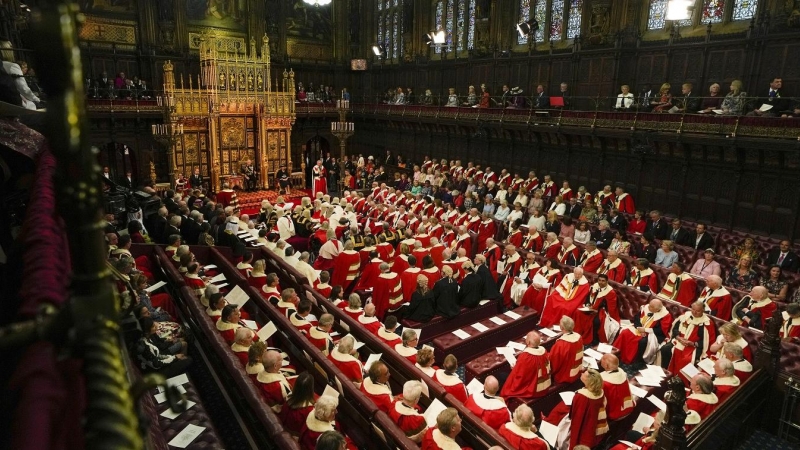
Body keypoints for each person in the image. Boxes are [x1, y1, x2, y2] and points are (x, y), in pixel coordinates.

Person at [662, 301, 717, 378]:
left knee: (686, 360)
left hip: (694, 347)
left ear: (703, 311)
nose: (694, 312)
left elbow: (707, 341)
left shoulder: (707, 323)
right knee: (665, 349)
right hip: (679, 341)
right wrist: (678, 337)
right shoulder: (685, 315)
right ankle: (666, 373)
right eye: (693, 309)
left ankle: (681, 380)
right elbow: (675, 328)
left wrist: (693, 344)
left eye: (697, 311)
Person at [613, 299, 673, 365]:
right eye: (650, 305)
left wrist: (645, 330)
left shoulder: (665, 316)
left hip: (653, 333)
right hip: (640, 328)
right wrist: (639, 328)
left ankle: (636, 361)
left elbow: (661, 331)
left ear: (657, 310)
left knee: (642, 341)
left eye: (651, 307)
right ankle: (617, 353)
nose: (649, 307)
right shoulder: (646, 308)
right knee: (625, 332)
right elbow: (637, 319)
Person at [562, 369, 609, 449]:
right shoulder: (600, 391)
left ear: (589, 381)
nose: (582, 373)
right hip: (594, 424)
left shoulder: (582, 396)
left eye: (584, 373)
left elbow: (577, 418)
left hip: (584, 426)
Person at [500, 331, 552, 399]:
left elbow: (520, 376)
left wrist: (515, 368)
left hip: (533, 390)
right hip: (544, 387)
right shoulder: (544, 352)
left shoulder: (526, 356)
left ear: (528, 342)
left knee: (501, 376)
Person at [574, 274, 620, 345]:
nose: (601, 282)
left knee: (597, 321)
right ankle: (578, 334)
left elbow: (611, 307)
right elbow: (588, 298)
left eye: (603, 281)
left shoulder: (610, 292)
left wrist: (597, 310)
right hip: (591, 308)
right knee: (578, 312)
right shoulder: (594, 287)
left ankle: (594, 340)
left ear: (607, 282)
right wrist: (588, 304)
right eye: (599, 280)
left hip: (602, 310)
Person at [549, 316, 584, 384]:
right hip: (576, 372)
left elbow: (554, 363)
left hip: (564, 376)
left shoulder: (561, 344)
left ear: (561, 327)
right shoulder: (579, 338)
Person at [600, 354, 635, 420]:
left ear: (606, 365)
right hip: (628, 408)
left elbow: (601, 401)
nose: (601, 359)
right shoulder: (622, 373)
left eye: (602, 359)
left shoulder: (604, 381)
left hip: (615, 414)